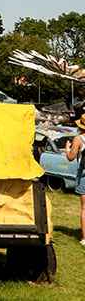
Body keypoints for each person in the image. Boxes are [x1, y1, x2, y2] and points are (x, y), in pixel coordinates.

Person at [65, 105, 85, 246]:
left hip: (84, 174)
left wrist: (67, 148)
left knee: (84, 208)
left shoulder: (79, 139)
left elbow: (71, 157)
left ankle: (84, 238)